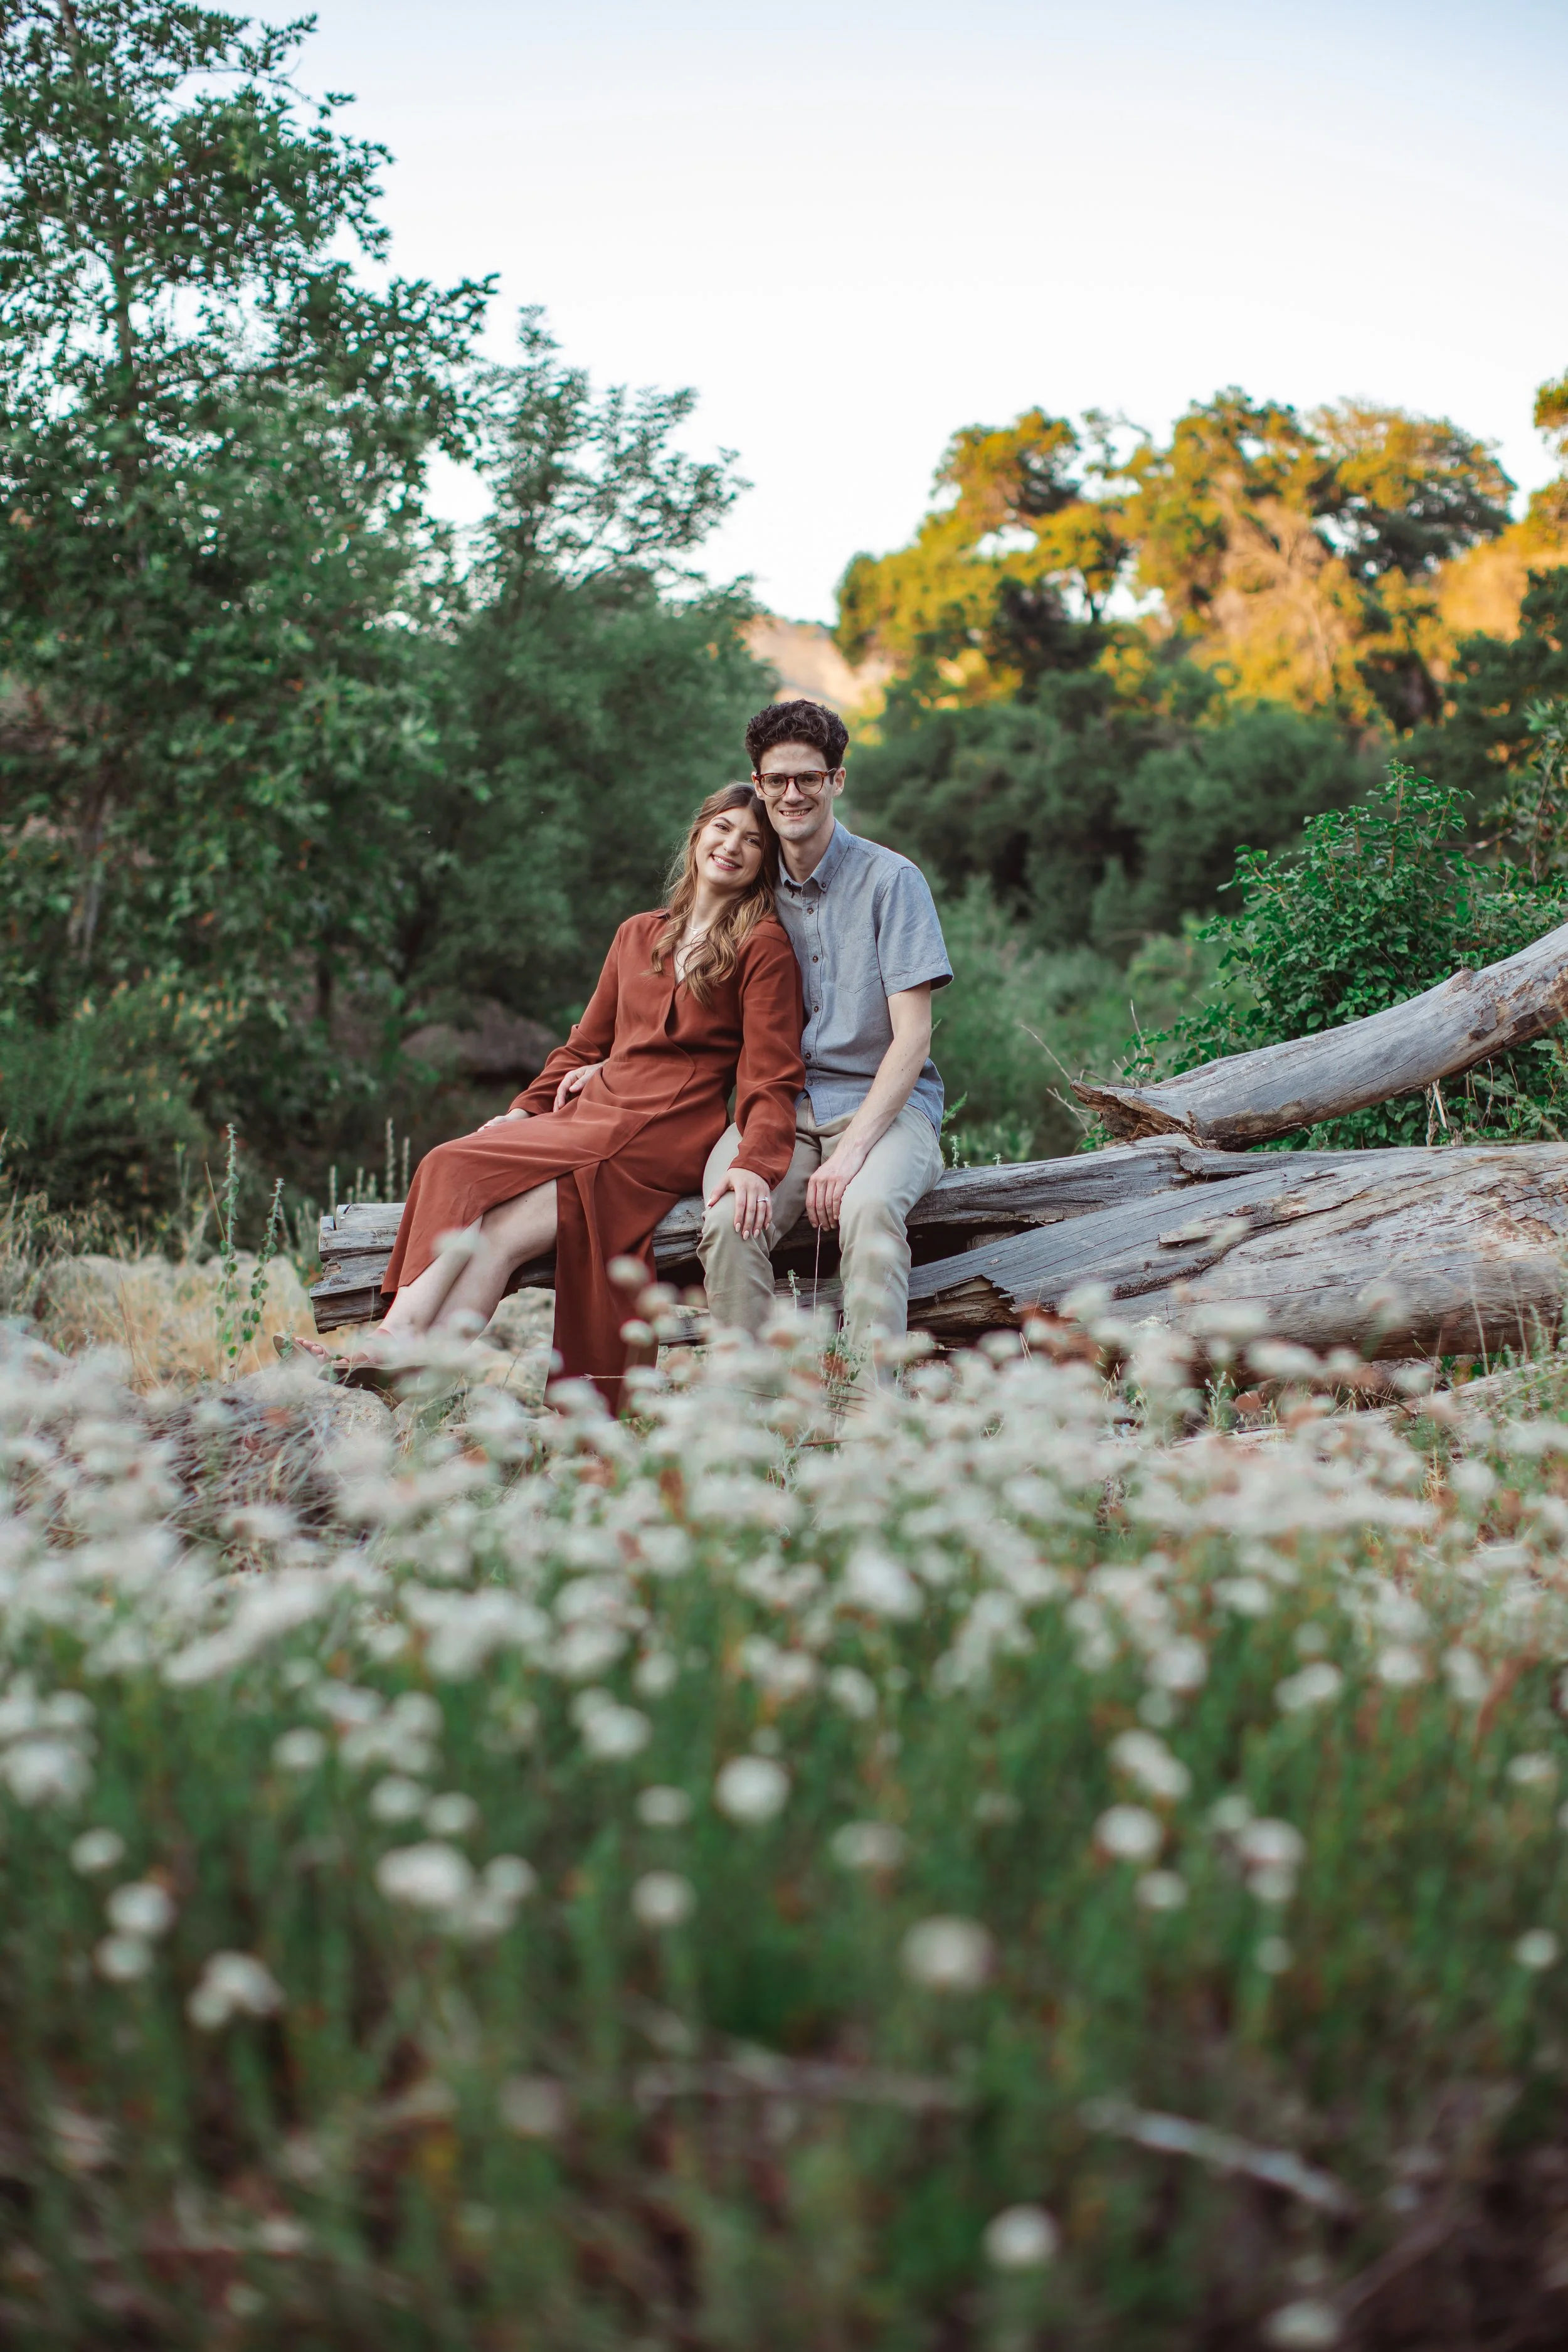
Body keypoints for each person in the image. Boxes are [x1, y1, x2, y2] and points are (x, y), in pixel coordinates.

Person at [324, 787, 803, 1406]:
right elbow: (584, 1045)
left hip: (668, 1130)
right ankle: (415, 1381)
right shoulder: (638, 934)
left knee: (457, 1168)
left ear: (766, 862)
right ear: (697, 835)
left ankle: (396, 1338)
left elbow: (770, 1076)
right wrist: (525, 1109)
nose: (732, 846)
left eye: (753, 840)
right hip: (595, 1114)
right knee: (492, 1223)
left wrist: (755, 1164)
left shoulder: (762, 946)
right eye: (723, 828)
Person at [699, 697, 951, 1374]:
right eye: (776, 780)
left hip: (885, 1110)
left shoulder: (892, 882)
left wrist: (849, 1156)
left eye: (808, 778)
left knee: (868, 1212)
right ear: (757, 785)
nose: (791, 794)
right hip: (779, 1108)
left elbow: (912, 1041)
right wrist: (589, 1064)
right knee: (728, 1221)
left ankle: (873, 1420)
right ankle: (748, 1420)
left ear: (835, 781)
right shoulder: (750, 886)